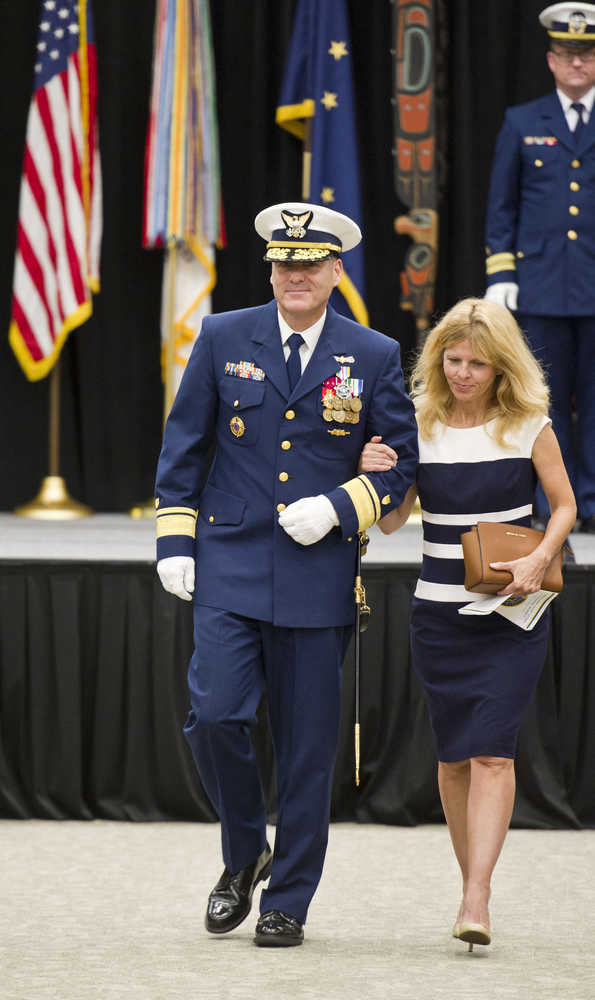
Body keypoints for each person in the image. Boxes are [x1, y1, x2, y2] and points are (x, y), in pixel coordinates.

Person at [154, 202, 418, 947]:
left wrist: (341, 507)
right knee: (214, 715)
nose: (294, 276)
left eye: (308, 265)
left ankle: (289, 901)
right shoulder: (221, 335)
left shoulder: (370, 353)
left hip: (315, 571)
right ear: (269, 269)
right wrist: (174, 540)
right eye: (282, 264)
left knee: (306, 749)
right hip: (230, 560)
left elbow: (400, 464)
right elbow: (183, 448)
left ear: (334, 272)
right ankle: (244, 855)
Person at [360, 298, 576, 951]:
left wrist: (541, 557)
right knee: (453, 759)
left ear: (499, 365)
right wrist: (372, 473)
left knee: (491, 752)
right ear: (436, 359)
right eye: (452, 360)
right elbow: (394, 521)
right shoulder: (418, 426)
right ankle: (468, 883)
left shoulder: (527, 425)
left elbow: (564, 506)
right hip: (436, 613)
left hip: (511, 610)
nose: (461, 373)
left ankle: (475, 895)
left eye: (476, 363)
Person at [484, 2, 595, 533]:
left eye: (588, 54)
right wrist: (502, 273)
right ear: (552, 60)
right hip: (541, 287)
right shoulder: (522, 121)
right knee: (543, 400)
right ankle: (556, 503)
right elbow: (502, 205)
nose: (579, 64)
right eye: (569, 54)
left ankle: (593, 503)